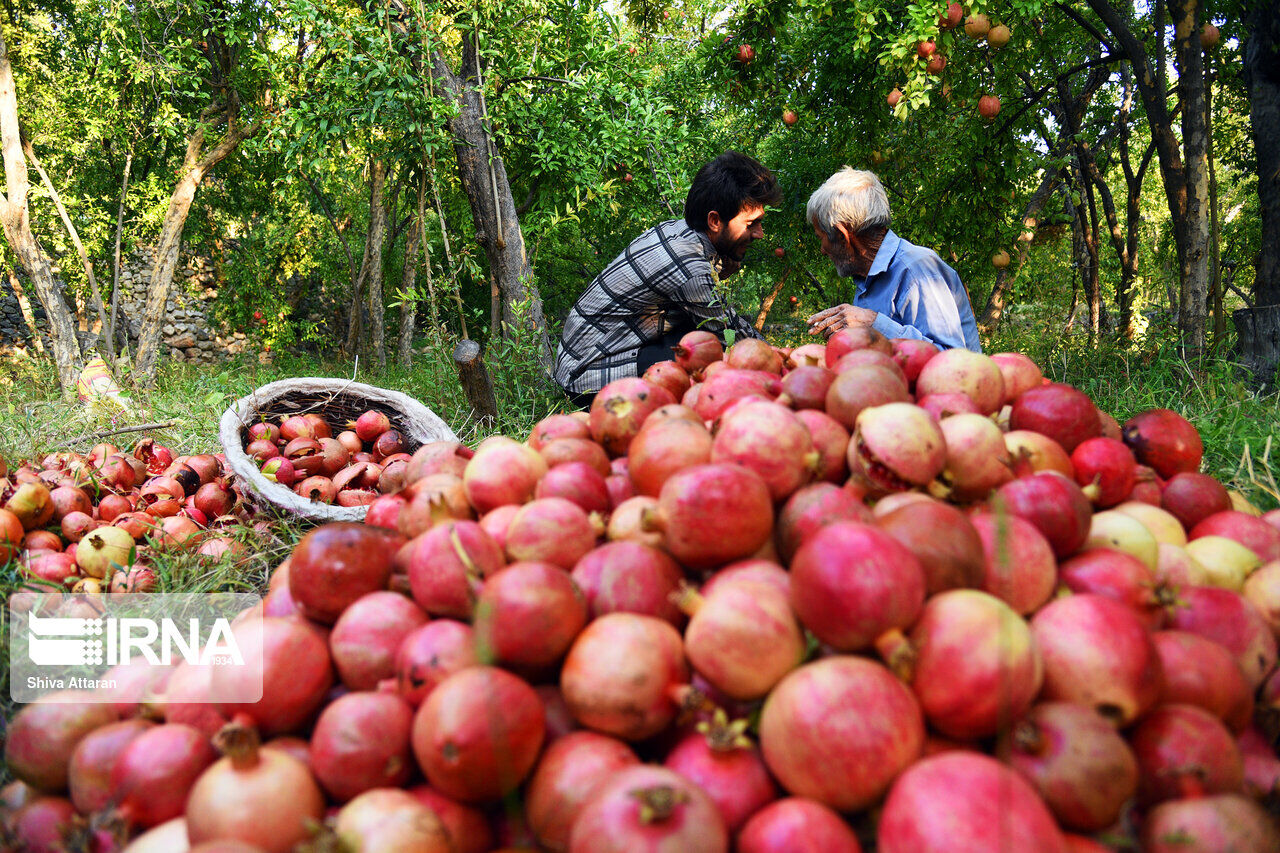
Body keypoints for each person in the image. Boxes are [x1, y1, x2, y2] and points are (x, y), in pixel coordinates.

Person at [553, 151, 782, 408]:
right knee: (708, 358)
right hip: (589, 375)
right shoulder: (690, 266)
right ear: (715, 220)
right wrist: (781, 360)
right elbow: (730, 337)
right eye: (752, 224)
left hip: (583, 357)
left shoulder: (679, 230)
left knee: (697, 344)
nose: (760, 233)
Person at [804, 167, 982, 352]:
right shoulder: (866, 279)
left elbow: (951, 357)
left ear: (842, 236)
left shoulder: (916, 271)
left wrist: (873, 323)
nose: (823, 250)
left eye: (821, 237)